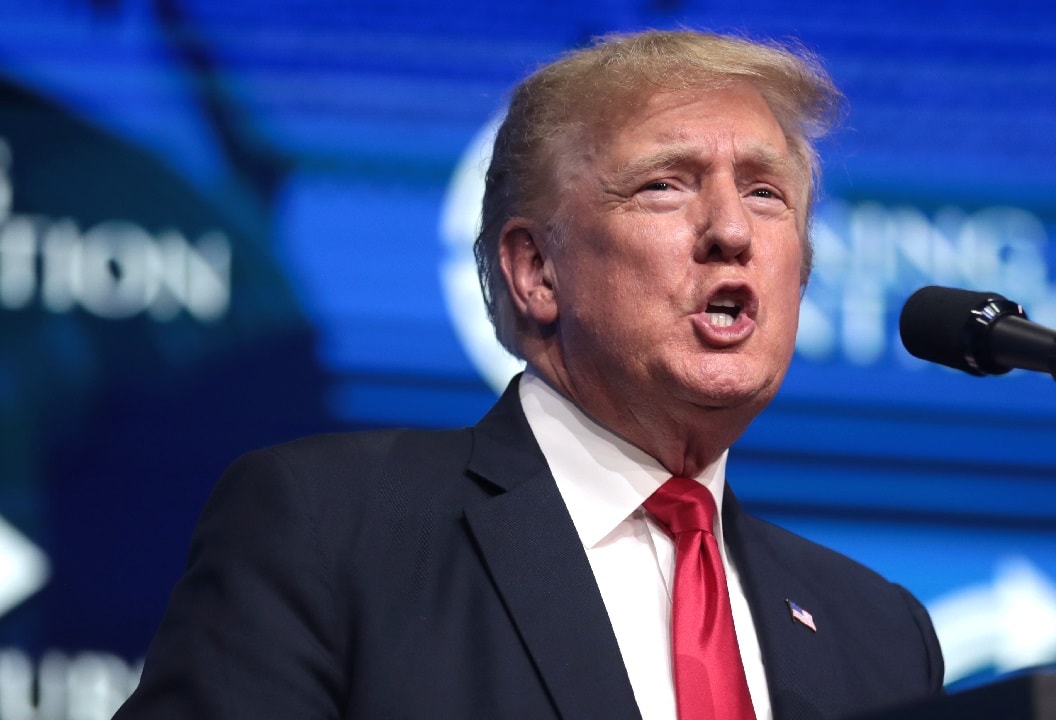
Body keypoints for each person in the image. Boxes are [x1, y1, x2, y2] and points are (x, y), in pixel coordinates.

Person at [114, 29, 944, 720]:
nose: (732, 229)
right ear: (536, 271)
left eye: (766, 193)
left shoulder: (877, 636)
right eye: (665, 186)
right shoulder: (330, 532)